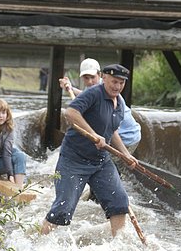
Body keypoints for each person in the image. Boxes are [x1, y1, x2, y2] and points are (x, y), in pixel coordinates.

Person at [41, 64, 138, 237]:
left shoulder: (120, 102)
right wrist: (93, 135)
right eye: (114, 81)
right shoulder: (94, 93)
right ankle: (39, 242)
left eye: (121, 83)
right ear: (103, 77)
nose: (117, 86)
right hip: (74, 160)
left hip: (101, 161)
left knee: (119, 202)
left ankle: (120, 245)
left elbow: (112, 129)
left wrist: (125, 153)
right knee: (63, 208)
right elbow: (71, 113)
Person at [60, 58, 141, 157]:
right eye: (86, 78)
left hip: (127, 137)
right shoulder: (96, 89)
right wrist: (70, 88)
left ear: (100, 75)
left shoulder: (111, 91)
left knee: (104, 163)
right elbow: (86, 97)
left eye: (93, 77)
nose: (90, 81)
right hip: (114, 135)